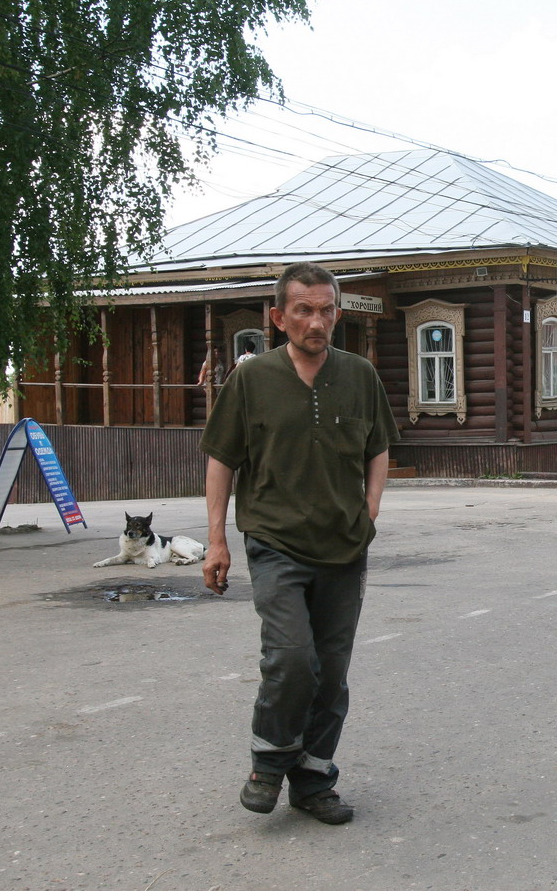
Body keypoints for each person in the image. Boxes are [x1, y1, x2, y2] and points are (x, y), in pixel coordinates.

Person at [201, 261, 392, 825]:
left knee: (331, 672)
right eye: (304, 310)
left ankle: (313, 781)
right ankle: (268, 762)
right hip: (274, 541)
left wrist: (370, 508)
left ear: (337, 313)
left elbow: (378, 446)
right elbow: (220, 460)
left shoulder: (359, 375)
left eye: (327, 310)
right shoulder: (252, 378)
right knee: (291, 659)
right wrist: (217, 540)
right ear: (279, 317)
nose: (317, 321)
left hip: (344, 545)